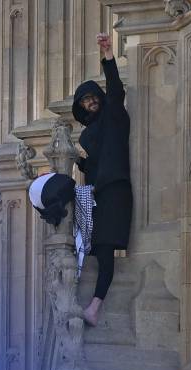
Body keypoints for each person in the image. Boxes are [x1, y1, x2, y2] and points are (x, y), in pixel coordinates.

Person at [72, 33, 132, 327]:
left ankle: (95, 306)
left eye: (94, 96)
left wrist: (107, 55)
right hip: (98, 193)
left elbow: (117, 89)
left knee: (106, 245)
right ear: (81, 106)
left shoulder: (114, 115)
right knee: (98, 249)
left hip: (117, 189)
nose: (91, 101)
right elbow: (90, 166)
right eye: (86, 100)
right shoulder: (86, 135)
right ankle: (93, 307)